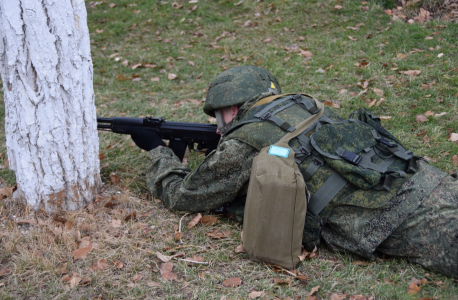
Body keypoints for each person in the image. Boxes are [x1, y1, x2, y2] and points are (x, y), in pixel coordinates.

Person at [132, 65, 458, 278]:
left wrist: (157, 150)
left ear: (231, 109)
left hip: (383, 217)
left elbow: (182, 195)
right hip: (420, 176)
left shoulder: (245, 139)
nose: (218, 126)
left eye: (218, 116)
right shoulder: (302, 104)